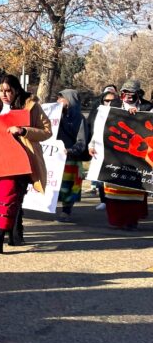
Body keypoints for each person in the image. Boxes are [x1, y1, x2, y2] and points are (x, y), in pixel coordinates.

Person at [0, 74, 52, 254]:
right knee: (6, 199)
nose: (4, 94)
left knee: (8, 196)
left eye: (8, 91)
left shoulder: (30, 106)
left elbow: (46, 131)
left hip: (19, 160)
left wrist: (23, 131)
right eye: (1, 90)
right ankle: (15, 233)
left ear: (16, 90)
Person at [92, 82, 150, 231]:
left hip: (138, 157)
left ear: (139, 94)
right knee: (114, 191)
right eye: (125, 93)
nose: (129, 97)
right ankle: (116, 221)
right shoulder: (112, 107)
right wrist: (92, 145)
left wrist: (138, 115)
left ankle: (131, 221)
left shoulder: (147, 108)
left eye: (132, 94)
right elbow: (99, 128)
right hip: (114, 156)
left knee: (134, 191)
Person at [55, 89, 86, 222]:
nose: (58, 101)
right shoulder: (54, 115)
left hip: (70, 159)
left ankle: (66, 211)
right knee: (55, 185)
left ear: (70, 100)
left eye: (61, 98)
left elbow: (82, 140)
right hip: (54, 158)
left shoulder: (79, 118)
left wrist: (71, 150)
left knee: (68, 186)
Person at [88, 87, 118, 211]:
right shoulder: (98, 113)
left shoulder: (121, 114)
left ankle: (114, 202)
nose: (108, 103)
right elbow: (95, 131)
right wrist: (91, 145)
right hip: (101, 151)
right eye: (106, 100)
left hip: (116, 152)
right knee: (101, 176)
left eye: (112, 101)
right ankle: (103, 200)